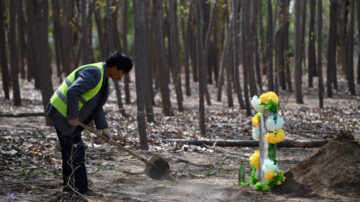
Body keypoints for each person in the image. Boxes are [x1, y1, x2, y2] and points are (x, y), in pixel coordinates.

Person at [46, 51, 133, 196]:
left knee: (70, 152)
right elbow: (73, 91)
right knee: (76, 151)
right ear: (115, 68)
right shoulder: (94, 73)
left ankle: (70, 186)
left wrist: (104, 128)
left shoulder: (103, 78)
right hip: (62, 113)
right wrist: (72, 116)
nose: (121, 76)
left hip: (65, 114)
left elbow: (95, 105)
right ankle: (81, 190)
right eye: (122, 73)